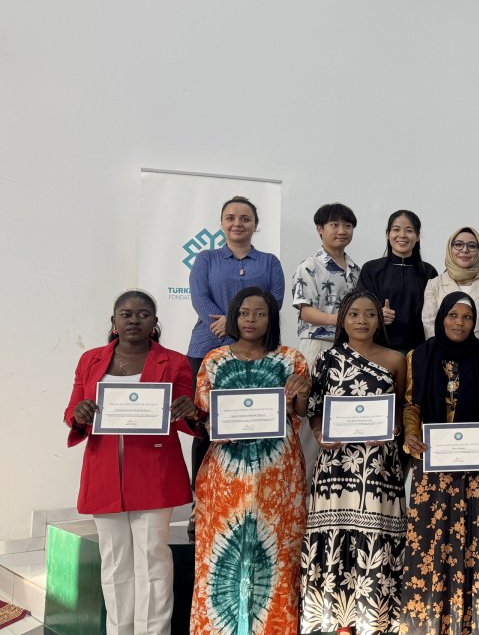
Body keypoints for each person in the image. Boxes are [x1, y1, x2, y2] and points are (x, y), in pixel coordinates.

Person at [65, 290, 196, 635]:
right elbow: (73, 408)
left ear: (154, 322)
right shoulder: (90, 360)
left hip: (154, 471)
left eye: (143, 314)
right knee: (114, 560)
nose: (134, 320)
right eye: (126, 314)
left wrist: (188, 410)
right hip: (103, 471)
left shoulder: (176, 361)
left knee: (153, 558)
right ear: (113, 321)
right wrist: (78, 415)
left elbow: (187, 417)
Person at [191, 287, 311, 634]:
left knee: (276, 555)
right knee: (221, 554)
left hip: (279, 475)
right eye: (244, 313)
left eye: (260, 313)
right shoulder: (214, 360)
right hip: (226, 474)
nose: (251, 320)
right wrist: (214, 425)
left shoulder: (293, 359)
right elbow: (204, 417)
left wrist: (302, 390)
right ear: (233, 316)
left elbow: (299, 415)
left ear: (271, 319)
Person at [299, 290, 408, 635]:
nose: (362, 321)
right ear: (342, 319)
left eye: (370, 315)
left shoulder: (395, 359)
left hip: (378, 467)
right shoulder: (326, 360)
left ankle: (375, 622)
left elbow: (404, 410)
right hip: (335, 468)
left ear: (379, 320)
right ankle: (329, 622)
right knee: (333, 539)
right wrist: (319, 433)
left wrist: (394, 428)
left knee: (376, 541)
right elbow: (314, 413)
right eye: (354, 314)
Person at [400, 292, 479, 634]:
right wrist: (411, 436)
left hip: (477, 472)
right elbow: (412, 405)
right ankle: (426, 623)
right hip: (432, 467)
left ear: (475, 323)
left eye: (467, 317)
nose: (459, 323)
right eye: (453, 315)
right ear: (441, 316)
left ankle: (476, 623)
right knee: (429, 544)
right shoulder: (420, 355)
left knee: (477, 544)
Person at [186, 195, 285, 499]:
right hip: (208, 346)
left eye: (245, 218)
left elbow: (275, 301)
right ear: (222, 223)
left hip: (258, 352)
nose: (237, 223)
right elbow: (199, 297)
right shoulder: (206, 258)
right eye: (231, 218)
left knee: (254, 422)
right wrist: (230, 326)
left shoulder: (269, 262)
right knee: (207, 426)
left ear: (256, 225)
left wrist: (234, 324)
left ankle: (249, 493)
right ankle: (200, 500)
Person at [358, 209, 439, 354]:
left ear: (418, 236)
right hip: (377, 349)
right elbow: (359, 307)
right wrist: (376, 314)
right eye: (396, 229)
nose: (402, 235)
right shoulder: (371, 269)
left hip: (419, 351)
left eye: (409, 230)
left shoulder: (428, 272)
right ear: (388, 234)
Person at [420, 226, 479, 354]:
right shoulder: (434, 284)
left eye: (471, 246)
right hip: (444, 358)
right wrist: (444, 352)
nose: (464, 250)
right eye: (458, 244)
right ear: (450, 248)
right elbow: (429, 324)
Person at [293, 202, 362, 361]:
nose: (342, 231)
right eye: (334, 225)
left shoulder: (356, 270)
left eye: (348, 225)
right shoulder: (309, 266)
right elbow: (305, 312)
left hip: (351, 344)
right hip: (318, 343)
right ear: (320, 229)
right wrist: (340, 319)